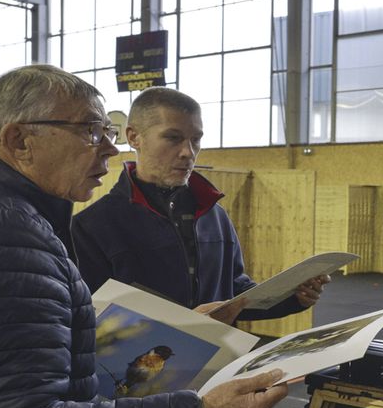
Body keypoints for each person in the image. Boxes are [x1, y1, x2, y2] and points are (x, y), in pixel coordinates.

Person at [0, 65, 287, 408]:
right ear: (20, 139)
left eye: (107, 134)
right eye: (90, 131)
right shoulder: (1, 232)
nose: (110, 149)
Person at [72, 87, 328, 326]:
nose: (188, 152)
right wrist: (185, 327)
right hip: (139, 370)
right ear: (134, 137)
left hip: (219, 366)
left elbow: (236, 292)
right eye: (173, 138)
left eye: (196, 140)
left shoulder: (214, 215)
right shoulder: (92, 227)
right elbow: (90, 320)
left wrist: (294, 298)